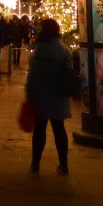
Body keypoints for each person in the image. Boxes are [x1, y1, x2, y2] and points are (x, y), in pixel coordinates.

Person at [26, 18, 73, 175]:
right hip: (59, 94)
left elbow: (33, 73)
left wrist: (30, 93)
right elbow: (69, 71)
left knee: (40, 129)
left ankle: (35, 163)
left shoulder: (40, 48)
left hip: (42, 94)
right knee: (59, 129)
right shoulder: (65, 49)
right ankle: (64, 164)